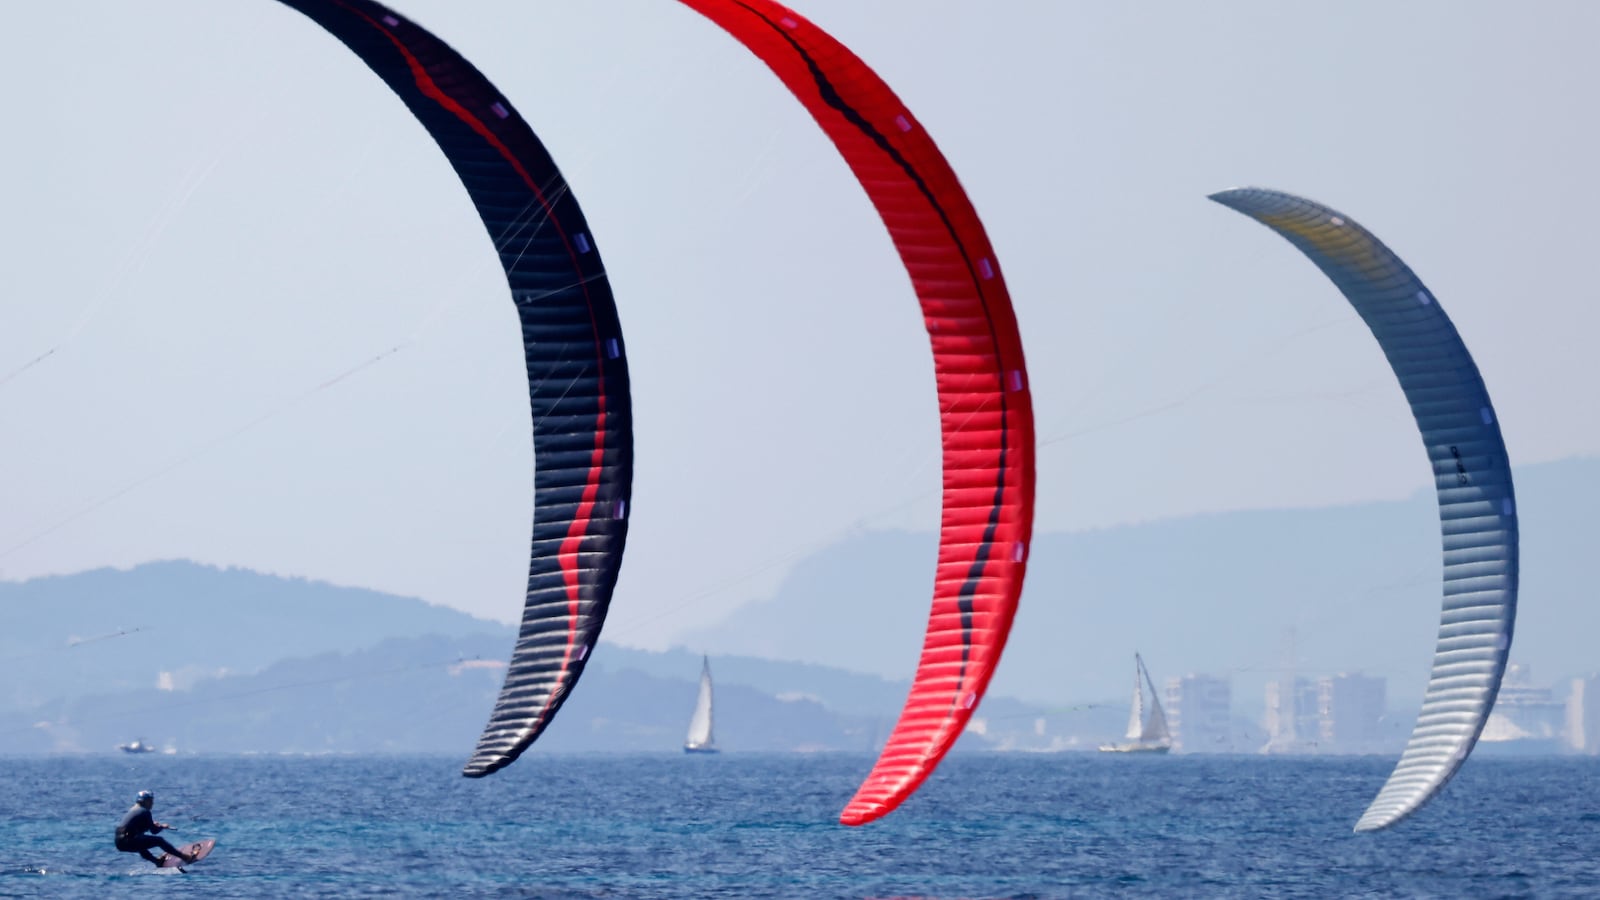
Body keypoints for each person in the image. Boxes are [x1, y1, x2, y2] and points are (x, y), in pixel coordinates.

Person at [114, 790, 193, 868]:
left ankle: (157, 861)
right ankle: (184, 857)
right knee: (159, 841)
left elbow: (136, 827)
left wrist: (150, 825)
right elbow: (154, 831)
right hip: (128, 840)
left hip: (119, 842)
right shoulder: (145, 811)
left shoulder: (134, 809)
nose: (152, 803)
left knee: (141, 842)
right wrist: (162, 826)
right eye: (151, 801)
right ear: (145, 801)